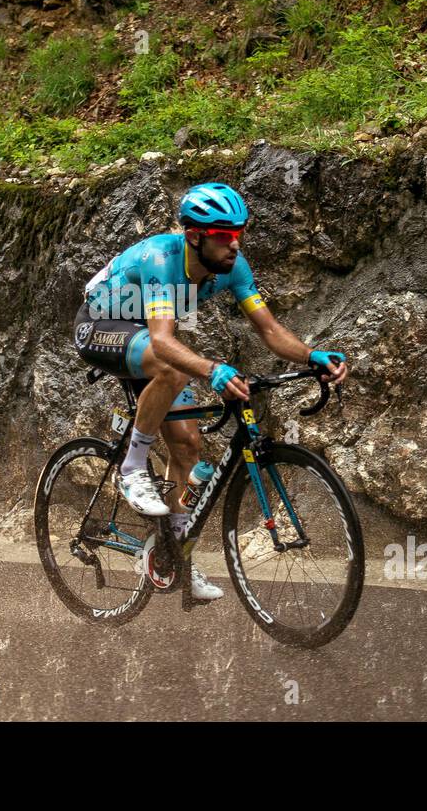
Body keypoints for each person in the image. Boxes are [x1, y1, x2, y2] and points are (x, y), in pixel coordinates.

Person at [72, 182, 348, 600]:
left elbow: (270, 329)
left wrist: (312, 357)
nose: (234, 244)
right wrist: (212, 369)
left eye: (238, 233)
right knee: (172, 365)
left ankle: (175, 556)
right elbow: (164, 342)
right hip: (99, 327)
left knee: (188, 447)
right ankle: (131, 469)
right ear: (195, 236)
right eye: (223, 236)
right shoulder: (163, 259)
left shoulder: (233, 266)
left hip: (145, 338)